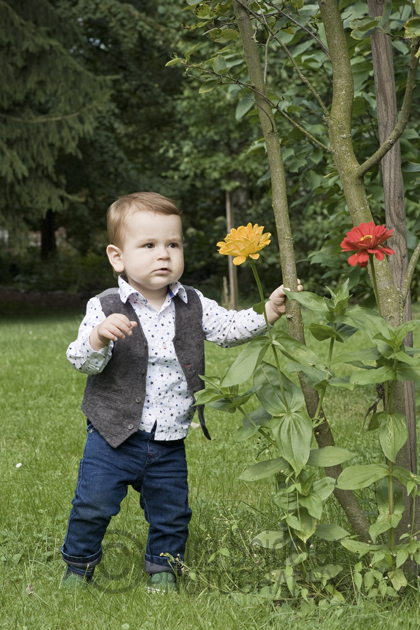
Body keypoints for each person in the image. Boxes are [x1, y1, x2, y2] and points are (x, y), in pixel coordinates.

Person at [61, 192, 302, 592]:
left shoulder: (192, 303)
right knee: (92, 505)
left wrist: (268, 312)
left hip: (169, 437)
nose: (164, 255)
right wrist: (99, 338)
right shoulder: (104, 307)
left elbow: (228, 329)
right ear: (117, 257)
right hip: (112, 435)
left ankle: (163, 571)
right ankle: (79, 565)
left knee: (171, 512)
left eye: (173, 244)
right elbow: (81, 360)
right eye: (149, 245)